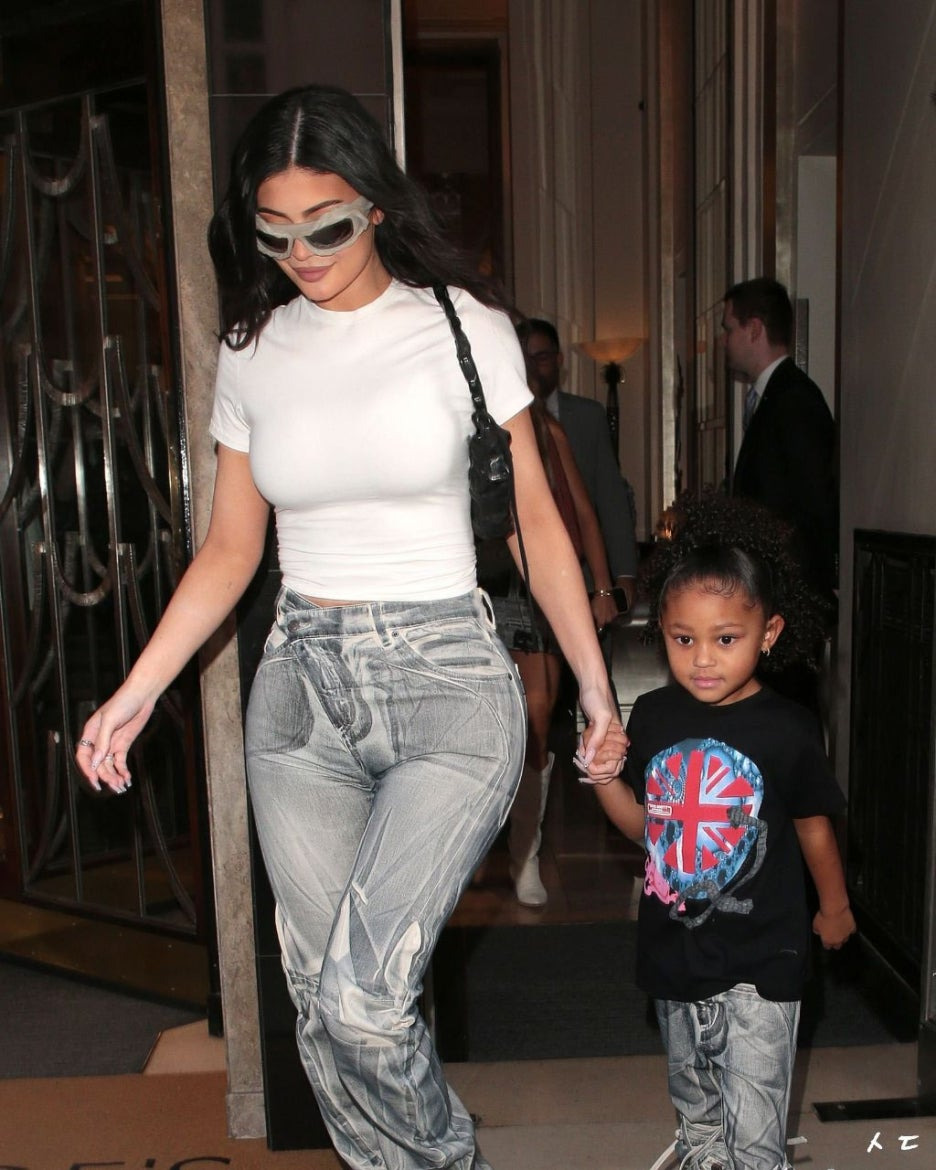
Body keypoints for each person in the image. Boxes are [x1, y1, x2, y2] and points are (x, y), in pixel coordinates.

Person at [74, 85, 628, 1170]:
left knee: (364, 1002)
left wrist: (595, 688)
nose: (302, 255)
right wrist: (136, 692)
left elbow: (536, 527)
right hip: (300, 694)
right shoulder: (255, 349)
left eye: (325, 226)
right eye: (274, 233)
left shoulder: (464, 331)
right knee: (319, 999)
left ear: (375, 204)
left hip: (447, 682)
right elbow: (230, 550)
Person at [588, 491, 856, 1170]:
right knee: (699, 1119)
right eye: (684, 639)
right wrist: (605, 779)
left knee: (755, 1136)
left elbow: (814, 827)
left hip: (764, 961)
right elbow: (646, 829)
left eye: (726, 639)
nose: (703, 659)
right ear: (662, 630)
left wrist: (834, 905)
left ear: (768, 633)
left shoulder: (788, 729)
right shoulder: (653, 716)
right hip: (676, 956)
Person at [490, 395, 620, 906]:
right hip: (472, 581)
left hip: (534, 588)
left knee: (538, 718)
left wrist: (603, 589)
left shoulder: (546, 430)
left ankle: (525, 850)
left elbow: (583, 514)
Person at [723, 277, 837, 602]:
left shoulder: (794, 399)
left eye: (729, 329)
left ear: (754, 329)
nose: (724, 341)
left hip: (789, 589)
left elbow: (812, 502)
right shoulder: (776, 395)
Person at [517, 317, 639, 612]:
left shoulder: (586, 417)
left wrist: (621, 577)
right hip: (519, 579)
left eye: (541, 357)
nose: (533, 367)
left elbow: (608, 499)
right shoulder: (500, 421)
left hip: (581, 573)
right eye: (524, 359)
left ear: (559, 360)